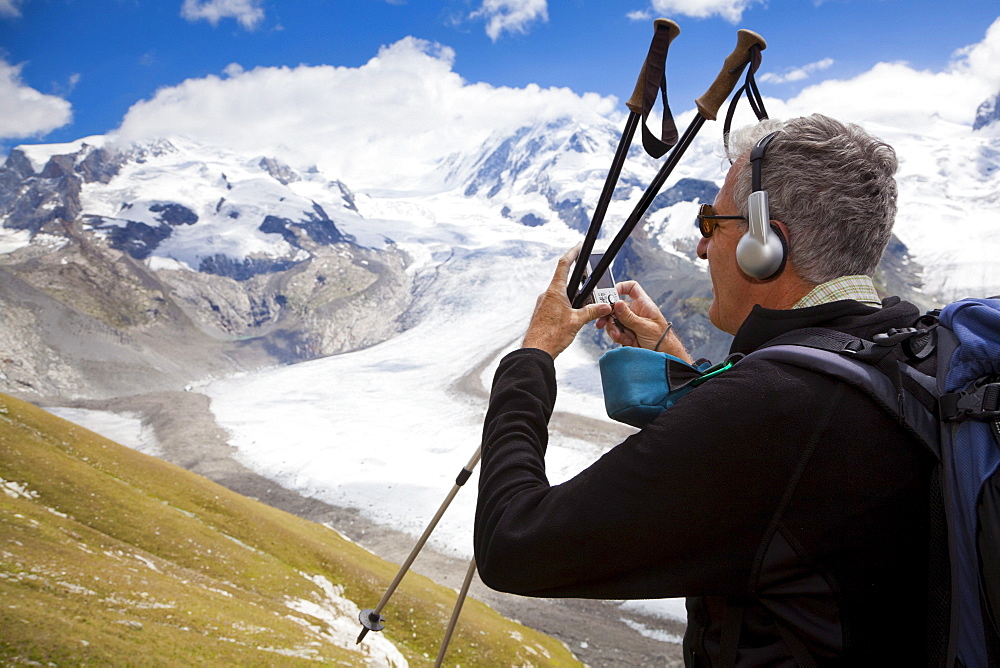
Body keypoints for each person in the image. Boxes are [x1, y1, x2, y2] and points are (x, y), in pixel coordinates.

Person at [474, 114, 935, 664]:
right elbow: (783, 482)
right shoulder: (902, 346)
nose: (700, 247)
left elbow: (513, 543)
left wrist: (532, 359)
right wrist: (680, 361)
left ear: (766, 245)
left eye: (712, 223)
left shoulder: (773, 409)